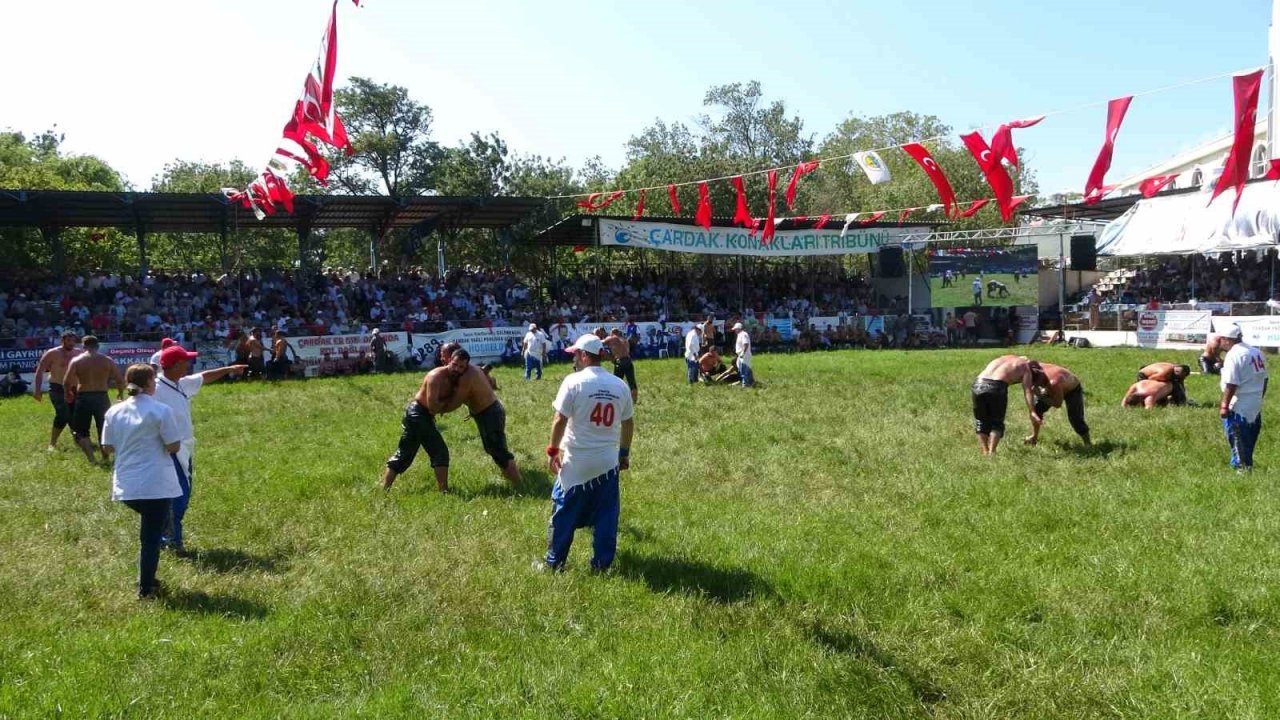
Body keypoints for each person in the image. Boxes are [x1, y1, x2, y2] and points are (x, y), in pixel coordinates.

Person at [539, 334, 635, 572]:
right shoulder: (618, 384)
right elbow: (628, 422)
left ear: (583, 355)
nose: (574, 359)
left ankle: (555, 562)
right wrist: (623, 453)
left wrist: (552, 450)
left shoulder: (573, 381)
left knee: (563, 512)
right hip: (607, 462)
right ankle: (602, 565)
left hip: (576, 461)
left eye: (575, 355)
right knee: (606, 516)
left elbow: (560, 419)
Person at [152, 344, 247, 556]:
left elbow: (204, 377)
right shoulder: (155, 389)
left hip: (184, 447)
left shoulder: (181, 383)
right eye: (185, 361)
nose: (189, 364)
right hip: (168, 449)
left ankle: (165, 537)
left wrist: (229, 369)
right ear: (175, 365)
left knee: (182, 496)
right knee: (178, 496)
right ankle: (171, 541)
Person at [100, 364, 184, 600]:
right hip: (156, 483)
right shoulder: (161, 410)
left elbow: (106, 447)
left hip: (127, 484)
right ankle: (146, 588)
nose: (156, 384)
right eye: (154, 381)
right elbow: (173, 446)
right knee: (150, 538)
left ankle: (148, 577)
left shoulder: (114, 412)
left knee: (151, 529)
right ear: (147, 383)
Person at [62, 335, 124, 464]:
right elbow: (119, 379)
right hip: (102, 396)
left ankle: (91, 459)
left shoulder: (76, 361)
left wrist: (67, 393)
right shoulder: (107, 360)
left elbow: (67, 381)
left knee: (81, 430)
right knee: (104, 428)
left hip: (84, 396)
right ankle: (105, 457)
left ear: (83, 346)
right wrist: (120, 393)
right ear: (98, 346)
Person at [971, 355, 1045, 455]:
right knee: (997, 423)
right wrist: (1032, 411)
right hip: (996, 387)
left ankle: (985, 451)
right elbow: (1028, 391)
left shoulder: (1003, 358)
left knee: (981, 421)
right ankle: (992, 452)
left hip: (977, 384)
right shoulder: (1025, 367)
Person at [1218, 324, 1268, 472]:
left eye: (1221, 339)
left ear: (1226, 340)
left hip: (1239, 403)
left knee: (1237, 437)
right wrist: (1260, 396)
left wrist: (1224, 405)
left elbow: (1232, 383)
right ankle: (1247, 465)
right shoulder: (1256, 351)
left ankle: (1241, 468)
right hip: (1255, 401)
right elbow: (1265, 379)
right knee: (1250, 438)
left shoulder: (1234, 354)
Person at [32, 330, 82, 451]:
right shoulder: (52, 353)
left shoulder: (79, 353)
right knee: (63, 414)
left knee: (75, 415)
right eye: (68, 341)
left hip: (74, 388)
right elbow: (40, 371)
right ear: (62, 340)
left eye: (73, 341)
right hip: (57, 388)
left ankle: (79, 440)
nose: (71, 343)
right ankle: (52, 443)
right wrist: (37, 390)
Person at [1024, 362, 1091, 446]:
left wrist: (1040, 395)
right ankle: (1034, 437)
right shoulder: (1036, 367)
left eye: (1037, 384)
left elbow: (1057, 404)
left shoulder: (1053, 382)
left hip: (1072, 389)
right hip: (1056, 383)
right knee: (1037, 408)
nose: (1036, 386)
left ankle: (1088, 443)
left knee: (1075, 418)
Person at [598, 327, 638, 402]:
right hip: (628, 361)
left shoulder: (611, 338)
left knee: (616, 383)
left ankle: (615, 400)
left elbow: (600, 342)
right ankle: (634, 401)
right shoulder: (625, 340)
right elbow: (627, 351)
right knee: (632, 382)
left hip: (619, 361)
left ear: (612, 333)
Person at [732, 321, 753, 388]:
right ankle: (749, 383)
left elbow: (745, 344)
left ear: (738, 328)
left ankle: (745, 384)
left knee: (744, 370)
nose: (735, 330)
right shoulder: (740, 335)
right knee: (745, 370)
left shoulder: (743, 334)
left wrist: (743, 353)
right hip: (741, 355)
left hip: (744, 355)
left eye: (735, 329)